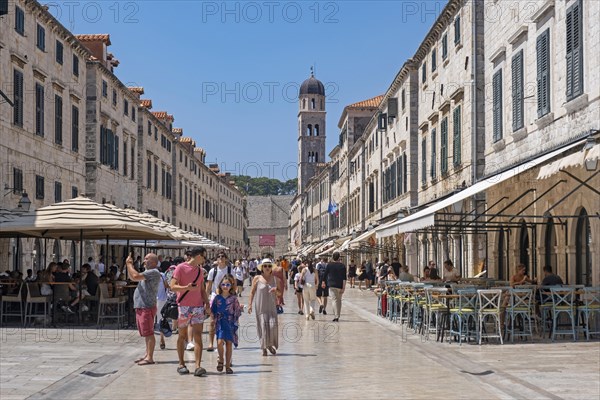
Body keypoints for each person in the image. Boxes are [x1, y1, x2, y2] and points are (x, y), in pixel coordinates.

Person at [170, 247, 211, 377]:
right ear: (198, 255)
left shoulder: (200, 271)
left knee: (198, 335)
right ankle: (181, 363)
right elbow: (172, 286)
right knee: (182, 336)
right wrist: (186, 288)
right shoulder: (180, 268)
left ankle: (198, 366)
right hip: (184, 306)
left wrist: (207, 304)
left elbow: (202, 290)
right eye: (204, 256)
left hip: (198, 306)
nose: (205, 259)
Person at [126, 252, 162, 366]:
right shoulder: (147, 272)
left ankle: (150, 357)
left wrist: (129, 264)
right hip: (142, 305)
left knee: (149, 333)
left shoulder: (154, 272)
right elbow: (133, 277)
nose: (144, 260)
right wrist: (129, 266)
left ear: (154, 262)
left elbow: (135, 276)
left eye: (147, 259)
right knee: (146, 333)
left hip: (147, 306)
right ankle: (147, 354)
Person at [210, 274, 243, 374]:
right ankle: (221, 359)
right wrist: (212, 319)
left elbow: (237, 311)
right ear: (220, 285)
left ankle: (228, 366)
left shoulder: (233, 299)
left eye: (228, 285)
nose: (225, 286)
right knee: (219, 342)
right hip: (220, 322)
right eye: (223, 284)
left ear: (231, 286)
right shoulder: (217, 298)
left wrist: (237, 322)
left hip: (230, 322)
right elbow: (213, 310)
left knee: (229, 344)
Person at [248, 258, 281, 356]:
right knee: (263, 327)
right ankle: (264, 348)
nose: (267, 267)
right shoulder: (257, 278)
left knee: (272, 325)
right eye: (265, 266)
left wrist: (276, 291)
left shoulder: (276, 279)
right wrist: (249, 305)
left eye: (269, 266)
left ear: (272, 268)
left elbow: (280, 294)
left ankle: (270, 345)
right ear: (262, 268)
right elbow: (252, 292)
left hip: (271, 307)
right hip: (260, 306)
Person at [206, 252, 233, 352]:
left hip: (227, 297)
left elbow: (233, 284)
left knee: (226, 321)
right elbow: (208, 286)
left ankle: (223, 341)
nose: (221, 258)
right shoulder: (213, 271)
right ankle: (210, 343)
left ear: (226, 258)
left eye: (223, 256)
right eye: (219, 256)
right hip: (215, 297)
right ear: (216, 259)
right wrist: (205, 300)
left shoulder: (230, 270)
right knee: (213, 321)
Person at [322, 252, 347, 322]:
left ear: (333, 257)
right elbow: (344, 278)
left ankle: (336, 315)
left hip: (332, 285)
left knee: (334, 300)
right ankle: (338, 315)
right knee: (339, 300)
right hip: (340, 285)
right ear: (339, 257)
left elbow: (325, 274)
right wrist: (343, 287)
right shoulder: (342, 266)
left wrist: (323, 282)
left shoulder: (329, 265)